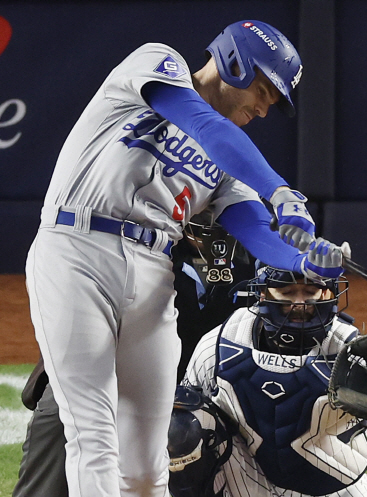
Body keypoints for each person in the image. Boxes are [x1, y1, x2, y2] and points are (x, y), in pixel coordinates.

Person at [24, 19, 345, 497]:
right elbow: (203, 125)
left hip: (152, 273)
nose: (263, 108)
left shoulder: (230, 156)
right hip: (77, 249)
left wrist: (300, 263)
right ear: (234, 63)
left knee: (146, 462)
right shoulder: (157, 63)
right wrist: (278, 188)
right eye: (262, 90)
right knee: (93, 434)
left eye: (272, 102)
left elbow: (254, 228)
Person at [13, 214, 255, 497]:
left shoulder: (260, 256)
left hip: (218, 387)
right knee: (60, 410)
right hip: (119, 369)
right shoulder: (127, 242)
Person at [168, 265, 367, 497]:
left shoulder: (350, 352)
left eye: (311, 292)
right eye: (287, 292)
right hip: (244, 479)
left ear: (329, 294)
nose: (300, 303)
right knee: (180, 423)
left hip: (331, 484)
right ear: (263, 294)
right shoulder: (222, 343)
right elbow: (181, 414)